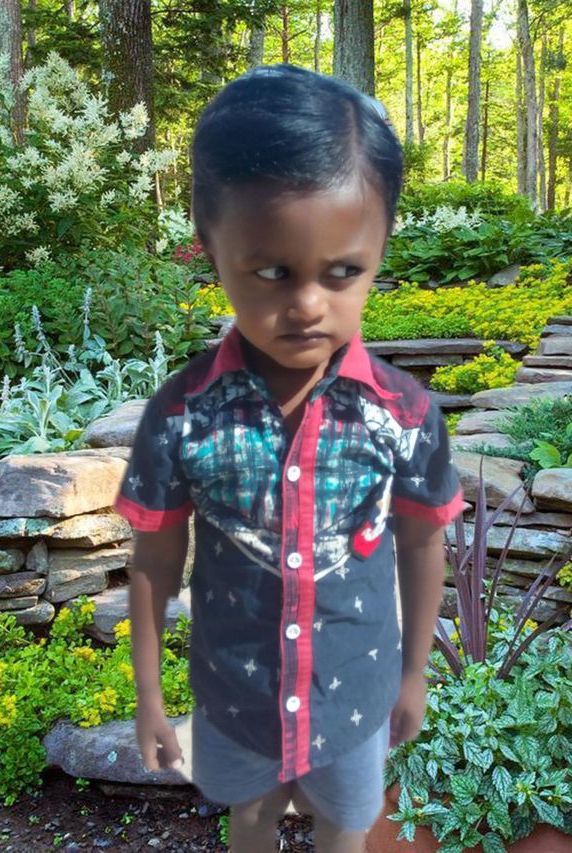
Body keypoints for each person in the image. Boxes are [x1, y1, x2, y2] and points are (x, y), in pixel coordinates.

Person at [114, 64, 463, 853]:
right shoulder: (182, 415)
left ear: (380, 248)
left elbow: (421, 541)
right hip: (236, 698)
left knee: (346, 823)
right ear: (211, 247)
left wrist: (413, 673)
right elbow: (154, 560)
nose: (307, 304)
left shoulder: (403, 414)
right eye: (272, 272)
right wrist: (149, 696)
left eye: (344, 272)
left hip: (355, 695)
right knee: (251, 816)